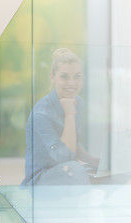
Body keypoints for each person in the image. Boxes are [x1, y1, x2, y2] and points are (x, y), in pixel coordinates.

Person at [22, 48, 99, 187]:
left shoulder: (78, 102)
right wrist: (70, 114)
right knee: (76, 170)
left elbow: (74, 146)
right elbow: (64, 156)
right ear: (52, 77)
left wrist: (95, 162)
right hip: (41, 179)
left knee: (125, 165)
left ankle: (101, 196)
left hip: (66, 170)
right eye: (64, 76)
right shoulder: (41, 113)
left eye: (77, 76)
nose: (72, 83)